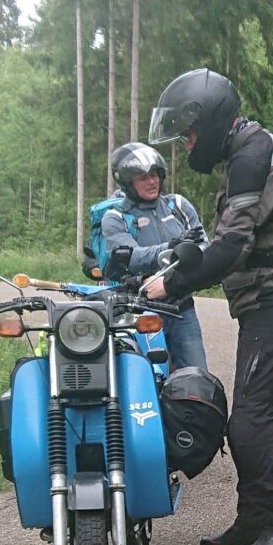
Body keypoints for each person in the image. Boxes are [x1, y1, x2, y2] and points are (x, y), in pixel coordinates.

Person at [139, 68, 273, 545]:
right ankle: (253, 519)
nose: (189, 143)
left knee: (252, 417)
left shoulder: (251, 155)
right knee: (245, 416)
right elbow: (224, 244)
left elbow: (233, 245)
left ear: (211, 120)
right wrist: (180, 261)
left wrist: (171, 284)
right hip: (264, 298)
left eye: (190, 132)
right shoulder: (246, 152)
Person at [99, 142, 209, 374]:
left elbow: (203, 247)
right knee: (148, 377)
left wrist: (182, 260)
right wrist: (172, 247)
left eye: (154, 174)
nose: (152, 181)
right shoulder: (115, 217)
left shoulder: (177, 205)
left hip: (182, 307)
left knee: (198, 377)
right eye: (142, 177)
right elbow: (132, 257)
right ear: (128, 183)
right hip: (141, 311)